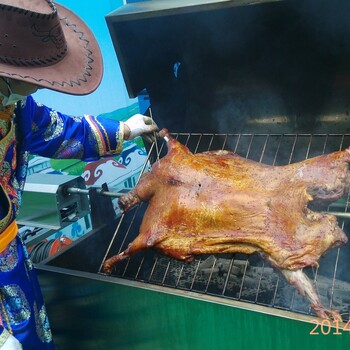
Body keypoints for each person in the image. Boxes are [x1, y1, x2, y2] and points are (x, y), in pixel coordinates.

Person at [0, 1, 158, 349]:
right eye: (35, 78)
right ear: (8, 74)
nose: (41, 86)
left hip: (10, 256)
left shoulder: (14, 105)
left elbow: (62, 132)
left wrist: (124, 130)